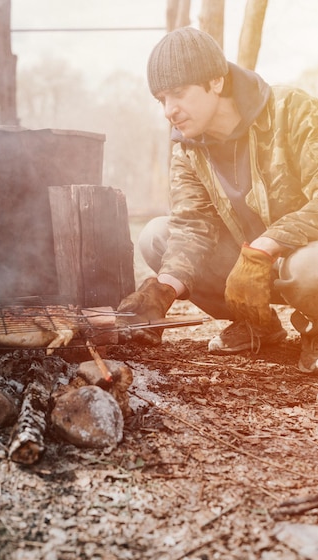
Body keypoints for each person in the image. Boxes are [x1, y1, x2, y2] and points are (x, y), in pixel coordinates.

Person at [117, 26, 318, 374]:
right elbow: (192, 227)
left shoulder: (292, 110)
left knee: (307, 269)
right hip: (246, 267)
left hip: (301, 257)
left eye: (178, 93)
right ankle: (257, 325)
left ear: (216, 82)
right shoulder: (187, 149)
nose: (169, 110)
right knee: (157, 237)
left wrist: (266, 246)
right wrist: (162, 292)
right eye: (161, 99)